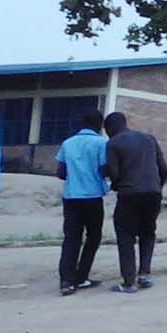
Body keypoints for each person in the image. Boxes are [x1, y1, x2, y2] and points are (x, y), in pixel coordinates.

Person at [105, 112, 167, 294]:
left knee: (125, 235)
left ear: (109, 128)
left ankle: (128, 282)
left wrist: (117, 186)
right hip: (153, 193)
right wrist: (157, 186)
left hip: (129, 193)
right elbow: (163, 168)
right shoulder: (149, 139)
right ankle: (144, 274)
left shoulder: (114, 143)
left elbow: (114, 173)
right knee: (148, 232)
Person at [55, 109, 109, 295]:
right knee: (93, 237)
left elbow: (60, 172)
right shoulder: (101, 143)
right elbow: (104, 170)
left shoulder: (67, 143)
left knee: (71, 238)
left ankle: (66, 280)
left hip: (71, 196)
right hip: (93, 196)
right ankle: (81, 276)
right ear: (99, 124)